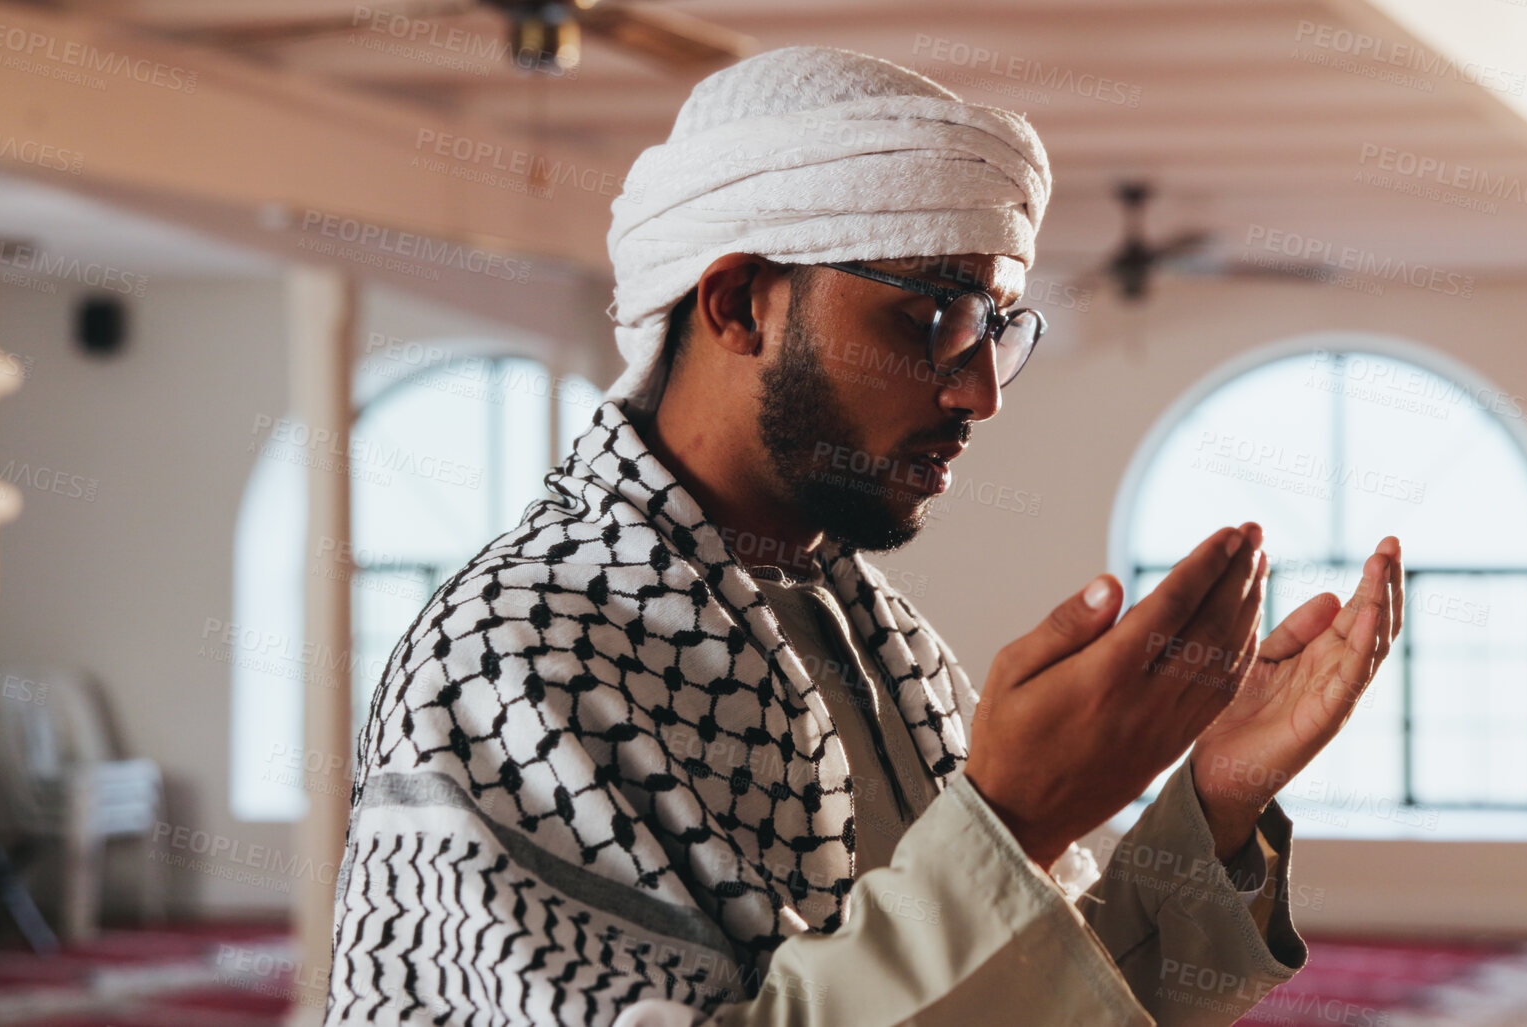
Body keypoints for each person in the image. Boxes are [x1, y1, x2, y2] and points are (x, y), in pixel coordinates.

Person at [323, 44, 1403, 1026]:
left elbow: (1027, 997)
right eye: (932, 313)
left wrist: (1211, 802)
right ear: (740, 302)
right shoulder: (517, 653)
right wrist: (1012, 818)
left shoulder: (882, 643)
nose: (980, 391)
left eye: (997, 325)